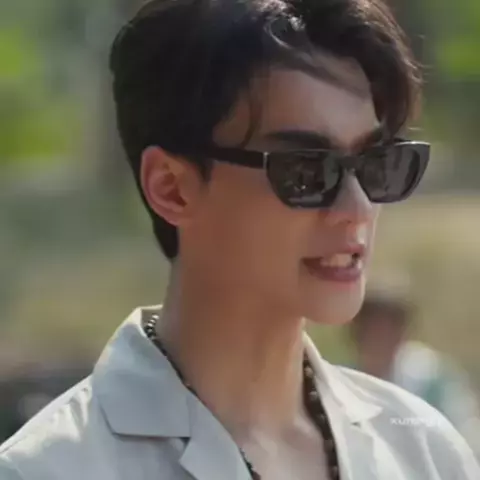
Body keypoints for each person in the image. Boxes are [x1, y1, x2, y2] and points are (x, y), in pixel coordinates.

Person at [1, 0, 478, 478]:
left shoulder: (424, 452)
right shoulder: (50, 468)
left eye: (376, 164)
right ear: (172, 187)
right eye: (306, 171)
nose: (358, 209)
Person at [350, 282, 480, 459]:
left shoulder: (431, 379)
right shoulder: (343, 382)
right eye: (372, 329)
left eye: (388, 329)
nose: (379, 338)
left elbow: (463, 437)